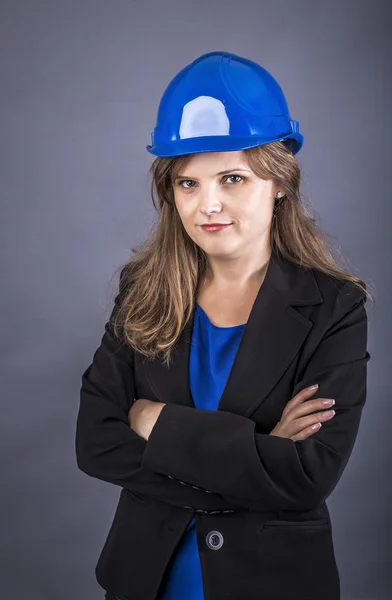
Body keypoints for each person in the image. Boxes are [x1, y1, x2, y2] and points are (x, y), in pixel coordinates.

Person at [76, 51, 373, 600]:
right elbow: (95, 442)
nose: (207, 205)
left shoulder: (334, 306)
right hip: (146, 581)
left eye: (232, 178)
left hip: (273, 583)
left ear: (279, 181)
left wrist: (153, 418)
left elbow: (307, 475)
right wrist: (256, 456)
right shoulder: (142, 290)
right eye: (188, 184)